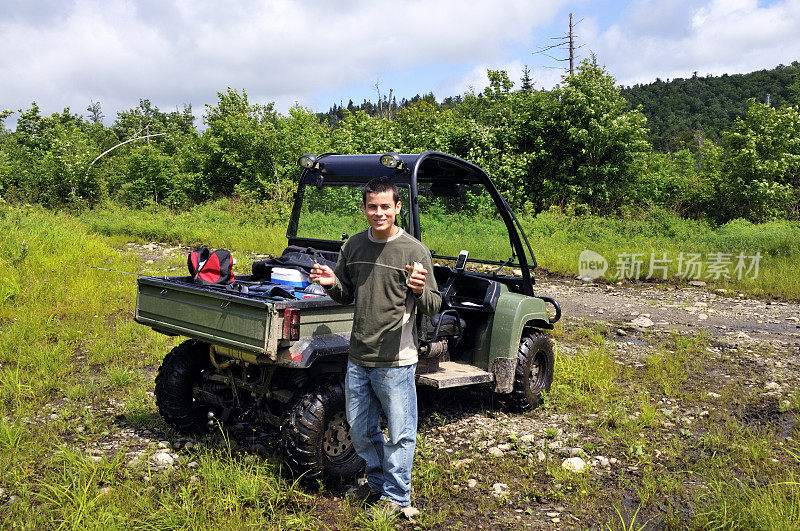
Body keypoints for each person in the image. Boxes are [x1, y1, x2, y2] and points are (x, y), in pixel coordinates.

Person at [309, 176, 441, 514]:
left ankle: (398, 498)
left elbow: (433, 305)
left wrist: (418, 290)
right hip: (359, 356)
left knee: (399, 433)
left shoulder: (414, 251)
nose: (379, 212)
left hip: (396, 358)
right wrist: (330, 283)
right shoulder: (353, 247)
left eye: (386, 206)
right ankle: (380, 484)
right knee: (361, 431)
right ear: (364, 208)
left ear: (397, 208)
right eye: (372, 206)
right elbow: (347, 294)